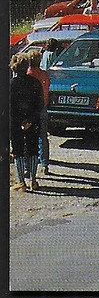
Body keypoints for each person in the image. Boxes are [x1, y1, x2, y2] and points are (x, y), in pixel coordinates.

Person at [9, 54, 44, 192]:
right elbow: (40, 104)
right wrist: (30, 120)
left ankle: (21, 182)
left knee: (18, 151)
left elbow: (10, 106)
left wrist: (20, 121)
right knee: (33, 149)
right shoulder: (35, 82)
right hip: (33, 120)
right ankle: (33, 180)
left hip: (16, 122)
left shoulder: (11, 84)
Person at [26, 50, 50, 175]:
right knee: (43, 137)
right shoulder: (44, 75)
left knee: (28, 137)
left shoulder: (28, 75)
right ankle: (44, 163)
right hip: (42, 108)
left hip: (30, 110)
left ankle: (27, 166)